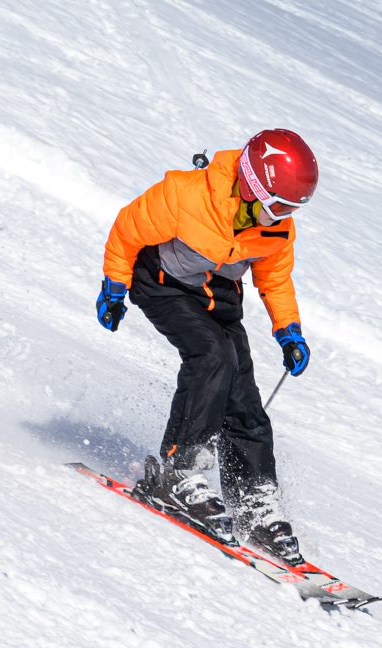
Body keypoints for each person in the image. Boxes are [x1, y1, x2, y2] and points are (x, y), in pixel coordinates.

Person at [94, 128, 317, 560]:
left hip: (219, 297)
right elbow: (127, 231)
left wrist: (288, 329)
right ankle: (179, 473)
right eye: (278, 205)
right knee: (211, 356)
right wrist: (114, 286)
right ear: (253, 185)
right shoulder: (184, 195)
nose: (283, 215)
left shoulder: (277, 229)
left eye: (292, 208)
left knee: (243, 395)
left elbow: (274, 278)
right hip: (163, 285)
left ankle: (254, 501)